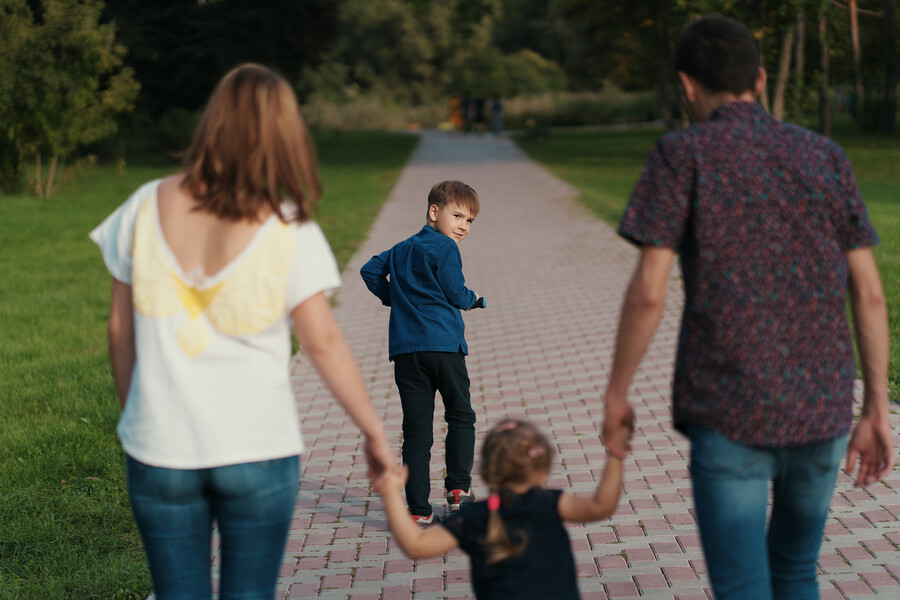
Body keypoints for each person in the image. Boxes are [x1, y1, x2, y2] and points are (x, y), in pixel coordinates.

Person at [601, 15, 893, 600]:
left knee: (742, 587)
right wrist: (877, 408)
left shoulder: (681, 154)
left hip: (729, 407)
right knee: (795, 573)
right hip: (823, 407)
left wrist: (617, 392)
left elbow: (649, 291)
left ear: (687, 85)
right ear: (759, 80)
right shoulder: (825, 155)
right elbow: (869, 291)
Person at [90, 63, 394, 600]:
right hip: (257, 448)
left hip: (160, 450)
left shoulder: (143, 204)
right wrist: (373, 430)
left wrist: (136, 416)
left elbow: (120, 329)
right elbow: (322, 343)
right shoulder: (288, 225)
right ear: (282, 133)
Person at [375, 418, 630, 600]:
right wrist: (615, 454)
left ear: (487, 472)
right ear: (542, 469)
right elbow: (601, 506)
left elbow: (415, 545)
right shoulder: (550, 504)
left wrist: (390, 494)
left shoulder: (473, 517)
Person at [360, 180, 482, 524]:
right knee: (460, 415)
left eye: (469, 221)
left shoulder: (399, 249)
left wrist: (394, 297)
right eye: (457, 215)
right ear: (434, 211)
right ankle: (458, 492)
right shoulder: (445, 248)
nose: (463, 226)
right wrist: (475, 300)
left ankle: (418, 511)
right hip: (443, 346)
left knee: (416, 431)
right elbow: (456, 292)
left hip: (406, 352)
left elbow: (369, 271)